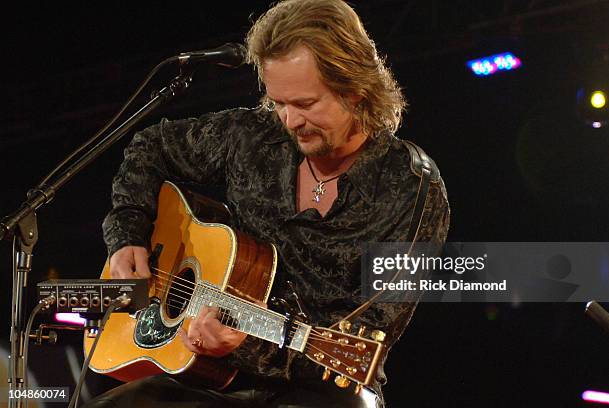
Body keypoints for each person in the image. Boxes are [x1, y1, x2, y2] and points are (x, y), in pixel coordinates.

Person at [86, 0, 450, 406]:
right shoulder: (253, 136)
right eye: (278, 103)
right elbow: (149, 147)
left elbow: (366, 331)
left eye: (306, 104)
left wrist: (243, 345)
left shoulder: (412, 187)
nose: (290, 121)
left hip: (324, 384)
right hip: (216, 376)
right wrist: (127, 233)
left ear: (356, 89)